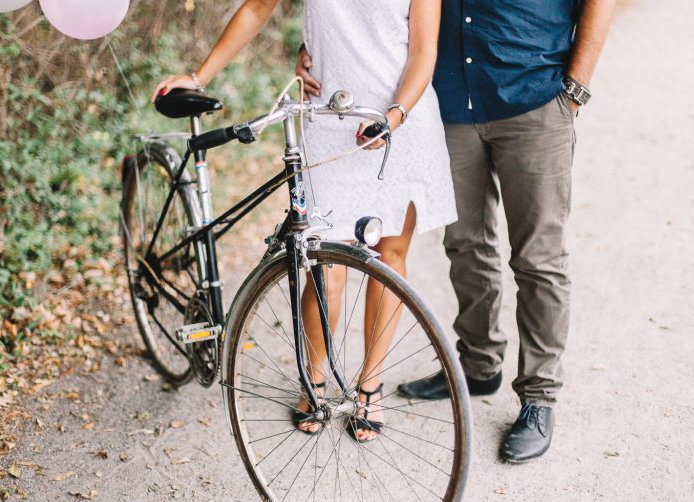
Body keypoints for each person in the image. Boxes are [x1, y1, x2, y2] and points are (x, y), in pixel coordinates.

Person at [297, 0, 616, 462]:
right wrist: (312, 49)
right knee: (465, 244)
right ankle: (478, 364)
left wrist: (577, 86)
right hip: (451, 101)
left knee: (538, 259)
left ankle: (539, 398)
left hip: (533, 94)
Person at [151, 0, 456, 443]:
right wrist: (199, 77)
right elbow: (256, 10)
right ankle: (314, 381)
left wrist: (393, 118)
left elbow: (424, 51)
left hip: (398, 122)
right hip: (328, 117)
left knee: (388, 258)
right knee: (322, 266)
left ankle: (369, 387)